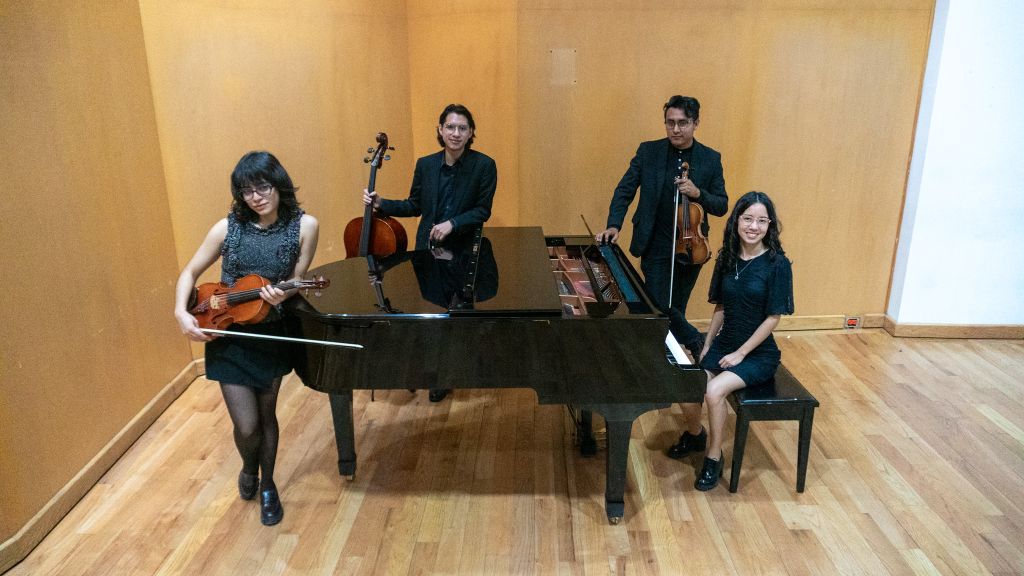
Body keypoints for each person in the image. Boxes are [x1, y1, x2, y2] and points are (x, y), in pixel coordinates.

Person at [174, 151, 319, 525]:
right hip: (229, 334)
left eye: (263, 187)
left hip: (272, 331)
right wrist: (180, 311)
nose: (256, 197)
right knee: (247, 425)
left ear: (279, 184)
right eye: (247, 191)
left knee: (267, 416)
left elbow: (297, 278)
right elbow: (190, 271)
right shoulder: (227, 228)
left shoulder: (305, 226)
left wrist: (281, 294)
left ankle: (268, 484)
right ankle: (247, 467)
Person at [364, 103, 497, 401]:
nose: (456, 133)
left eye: (463, 128)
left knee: (459, 314)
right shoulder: (426, 164)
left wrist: (452, 223)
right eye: (450, 127)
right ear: (439, 130)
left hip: (463, 251)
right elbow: (414, 205)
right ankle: (432, 371)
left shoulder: (484, 165)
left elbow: (482, 210)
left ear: (471, 132)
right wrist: (382, 203)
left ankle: (455, 371)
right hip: (428, 251)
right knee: (432, 311)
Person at [667, 191, 794, 491]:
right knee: (686, 387)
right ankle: (696, 434)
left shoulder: (777, 264)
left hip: (757, 353)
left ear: (770, 225)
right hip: (726, 344)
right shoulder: (726, 257)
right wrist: (708, 343)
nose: (754, 226)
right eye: (748, 218)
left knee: (713, 391)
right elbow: (721, 307)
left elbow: (773, 318)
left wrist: (740, 353)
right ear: (736, 221)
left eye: (762, 220)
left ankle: (714, 455)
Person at [595, 95, 728, 357]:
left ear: (696, 123)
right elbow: (625, 190)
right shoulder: (648, 151)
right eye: (670, 123)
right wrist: (614, 224)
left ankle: (668, 362)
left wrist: (698, 193)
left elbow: (721, 205)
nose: (675, 129)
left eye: (682, 123)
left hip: (692, 247)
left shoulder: (711, 159)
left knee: (676, 306)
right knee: (658, 302)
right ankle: (695, 341)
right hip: (654, 242)